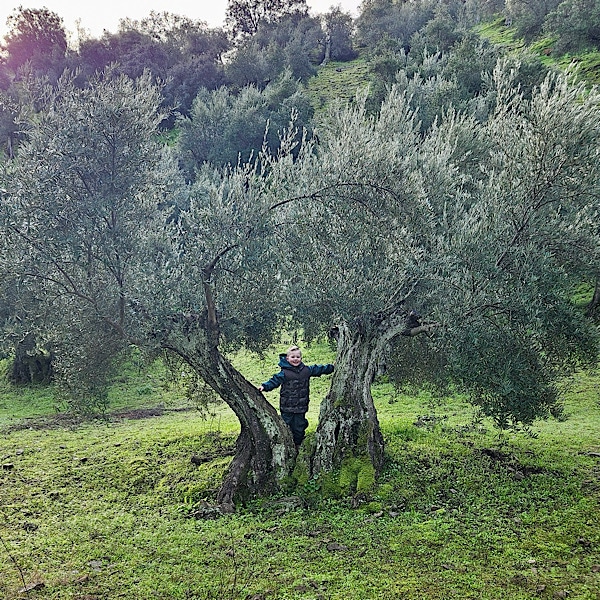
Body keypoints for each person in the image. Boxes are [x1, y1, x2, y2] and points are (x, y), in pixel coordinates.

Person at [258, 345, 334, 450]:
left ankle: (298, 444)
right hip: (287, 407)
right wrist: (264, 386)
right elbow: (274, 381)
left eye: (298, 357)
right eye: (293, 357)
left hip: (301, 407)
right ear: (287, 358)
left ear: (301, 358)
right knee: (286, 426)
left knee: (299, 426)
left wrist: (331, 367)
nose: (295, 359)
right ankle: (287, 444)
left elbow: (319, 369)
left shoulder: (306, 370)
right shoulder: (284, 373)